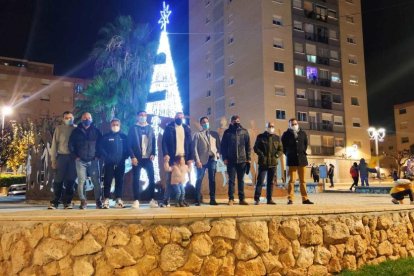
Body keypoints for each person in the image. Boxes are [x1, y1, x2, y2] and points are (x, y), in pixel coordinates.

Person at [69, 112, 102, 209]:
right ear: (81, 119)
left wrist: (98, 156)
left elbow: (100, 144)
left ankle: (98, 201)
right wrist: (75, 156)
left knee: (96, 181)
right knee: (81, 181)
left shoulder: (96, 131)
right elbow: (71, 145)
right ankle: (83, 201)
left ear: (91, 119)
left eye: (88, 118)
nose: (87, 119)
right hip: (80, 161)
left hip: (93, 160)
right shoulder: (76, 131)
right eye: (84, 118)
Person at [161, 112, 193, 207]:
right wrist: (166, 154)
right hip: (172, 157)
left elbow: (190, 143)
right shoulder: (169, 128)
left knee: (181, 180)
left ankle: (181, 200)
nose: (180, 118)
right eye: (178, 117)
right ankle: (166, 200)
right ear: (175, 117)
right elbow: (164, 142)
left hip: (183, 157)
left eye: (182, 117)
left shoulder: (186, 128)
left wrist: (190, 158)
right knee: (168, 179)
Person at [128, 111, 157, 209]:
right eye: (141, 115)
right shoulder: (133, 128)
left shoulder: (150, 128)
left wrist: (153, 153)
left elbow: (154, 141)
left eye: (144, 115)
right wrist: (132, 157)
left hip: (148, 158)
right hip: (137, 158)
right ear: (137, 117)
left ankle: (152, 199)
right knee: (135, 179)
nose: (143, 117)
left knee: (152, 179)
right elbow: (129, 145)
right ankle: (136, 200)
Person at [281, 118, 314, 205]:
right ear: (289, 125)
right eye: (292, 124)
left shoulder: (303, 133)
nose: (294, 125)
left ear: (298, 124)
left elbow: (305, 144)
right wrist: (288, 153)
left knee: (303, 180)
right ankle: (290, 199)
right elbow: (283, 147)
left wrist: (302, 152)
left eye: (295, 124)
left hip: (302, 160)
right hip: (291, 160)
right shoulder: (285, 134)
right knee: (291, 180)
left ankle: (305, 199)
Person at [48, 111, 77, 209]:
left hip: (73, 158)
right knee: (58, 180)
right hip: (61, 156)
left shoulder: (76, 129)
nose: (69, 119)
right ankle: (55, 201)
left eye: (70, 117)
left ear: (73, 118)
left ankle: (67, 202)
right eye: (66, 117)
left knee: (71, 181)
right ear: (63, 118)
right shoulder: (59, 129)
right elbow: (54, 144)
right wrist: (53, 159)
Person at [98, 118, 129, 209]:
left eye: (117, 124)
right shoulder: (105, 136)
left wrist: (124, 157)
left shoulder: (124, 137)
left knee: (120, 181)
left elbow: (128, 149)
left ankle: (118, 199)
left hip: (120, 163)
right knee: (107, 181)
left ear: (120, 126)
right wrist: (107, 157)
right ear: (110, 126)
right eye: (113, 124)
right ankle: (106, 199)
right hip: (109, 163)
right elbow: (101, 148)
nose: (115, 126)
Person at [220, 115, 251, 205]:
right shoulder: (227, 132)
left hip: (242, 160)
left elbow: (248, 146)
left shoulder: (244, 132)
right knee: (231, 180)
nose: (236, 122)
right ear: (231, 122)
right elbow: (223, 147)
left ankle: (242, 199)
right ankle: (231, 198)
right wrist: (224, 158)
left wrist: (248, 158)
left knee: (241, 180)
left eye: (238, 120)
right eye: (234, 120)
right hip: (231, 160)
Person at [253, 122, 283, 205]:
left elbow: (281, 149)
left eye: (272, 126)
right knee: (260, 181)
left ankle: (269, 199)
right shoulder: (260, 137)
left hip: (273, 163)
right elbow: (256, 148)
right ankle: (257, 199)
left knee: (271, 182)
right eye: (269, 126)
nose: (271, 128)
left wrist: (277, 155)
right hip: (263, 163)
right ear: (266, 127)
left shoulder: (277, 138)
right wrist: (261, 155)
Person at [193, 116, 220, 206]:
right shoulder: (197, 134)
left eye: (207, 122)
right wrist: (197, 160)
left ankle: (212, 199)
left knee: (212, 179)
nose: (206, 123)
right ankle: (197, 199)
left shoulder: (214, 134)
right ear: (201, 124)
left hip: (212, 159)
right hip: (202, 160)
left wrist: (218, 154)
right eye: (204, 122)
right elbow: (195, 149)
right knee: (199, 179)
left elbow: (218, 146)